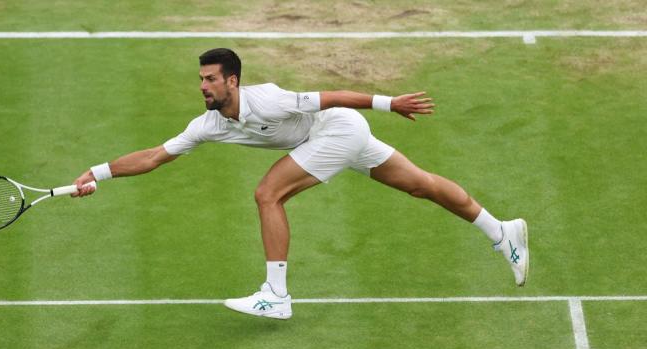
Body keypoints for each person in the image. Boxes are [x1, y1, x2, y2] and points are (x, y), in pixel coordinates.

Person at [72, 48, 529, 320]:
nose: (203, 87)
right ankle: (501, 231)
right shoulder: (208, 124)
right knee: (420, 185)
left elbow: (328, 96)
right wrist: (98, 172)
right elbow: (154, 156)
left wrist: (389, 103)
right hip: (335, 137)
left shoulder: (266, 99)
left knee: (268, 193)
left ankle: (276, 295)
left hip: (338, 129)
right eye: (201, 80)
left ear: (233, 80)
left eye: (211, 79)